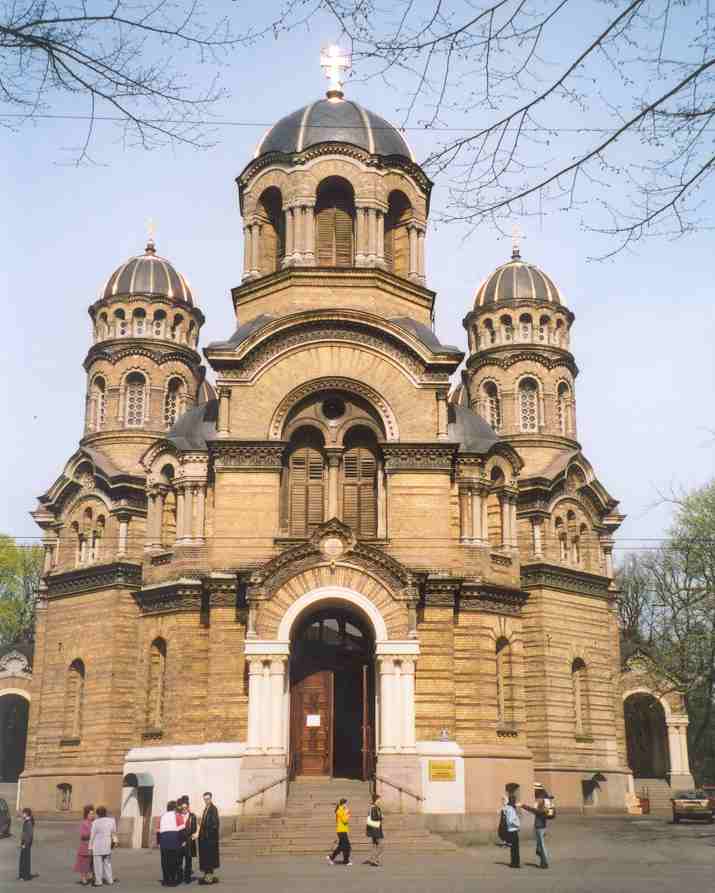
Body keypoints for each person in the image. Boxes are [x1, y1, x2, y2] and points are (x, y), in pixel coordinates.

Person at [89, 805, 117, 887]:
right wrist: (115, 842)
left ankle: (98, 881)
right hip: (107, 845)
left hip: (97, 846)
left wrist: (90, 847)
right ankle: (110, 880)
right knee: (107, 863)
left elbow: (92, 836)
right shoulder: (112, 821)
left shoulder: (95, 822)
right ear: (105, 813)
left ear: (98, 814)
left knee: (98, 865)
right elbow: (114, 833)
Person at [195, 792, 220, 885]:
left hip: (209, 839)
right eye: (205, 799)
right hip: (205, 839)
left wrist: (206, 834)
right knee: (206, 859)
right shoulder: (206, 809)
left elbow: (215, 825)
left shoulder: (213, 809)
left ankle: (209, 879)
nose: (206, 801)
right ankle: (207, 877)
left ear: (211, 798)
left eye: (208, 799)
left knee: (209, 859)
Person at [522, 796, 550, 869]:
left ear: (541, 800)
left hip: (540, 828)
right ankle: (542, 861)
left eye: (538, 799)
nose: (536, 800)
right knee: (539, 847)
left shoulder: (542, 809)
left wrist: (523, 805)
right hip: (540, 828)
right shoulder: (542, 808)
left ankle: (545, 863)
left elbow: (533, 810)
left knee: (542, 846)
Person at [158, 800, 182, 887]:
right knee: (173, 862)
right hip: (174, 842)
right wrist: (182, 841)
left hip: (164, 842)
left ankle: (166, 880)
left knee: (165, 862)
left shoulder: (162, 816)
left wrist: (159, 842)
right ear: (175, 808)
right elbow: (181, 830)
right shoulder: (177, 816)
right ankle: (172, 880)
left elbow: (158, 831)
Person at [74, 805, 95, 886]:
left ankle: (92, 877)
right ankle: (83, 879)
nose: (92, 815)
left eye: (93, 814)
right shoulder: (84, 823)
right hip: (85, 845)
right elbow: (83, 835)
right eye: (90, 814)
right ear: (86, 814)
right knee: (83, 863)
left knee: (92, 863)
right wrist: (92, 834)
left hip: (93, 846)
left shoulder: (95, 822)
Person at [178, 796, 198, 884]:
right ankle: (179, 876)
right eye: (183, 808)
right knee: (179, 860)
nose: (184, 810)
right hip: (180, 842)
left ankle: (187, 877)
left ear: (188, 807)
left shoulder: (192, 816)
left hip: (189, 841)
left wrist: (189, 837)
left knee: (188, 860)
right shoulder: (178, 816)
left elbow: (193, 828)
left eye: (186, 808)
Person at [327, 798, 352, 867]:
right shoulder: (340, 810)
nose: (347, 805)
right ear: (343, 804)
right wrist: (348, 813)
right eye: (346, 803)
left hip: (343, 830)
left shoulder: (342, 810)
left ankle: (331, 857)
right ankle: (346, 861)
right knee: (347, 846)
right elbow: (345, 820)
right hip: (341, 831)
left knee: (341, 846)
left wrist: (347, 812)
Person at [503, 794, 521, 869]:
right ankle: (515, 863)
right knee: (515, 848)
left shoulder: (507, 808)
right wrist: (517, 825)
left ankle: (513, 863)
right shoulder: (511, 809)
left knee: (513, 848)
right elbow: (510, 820)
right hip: (513, 830)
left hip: (510, 830)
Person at [365, 794, 384, 867]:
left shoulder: (373, 807)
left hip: (373, 828)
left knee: (375, 845)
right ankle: (375, 860)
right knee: (381, 846)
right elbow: (374, 817)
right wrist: (381, 817)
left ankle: (373, 860)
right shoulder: (374, 808)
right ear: (376, 800)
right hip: (375, 829)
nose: (380, 801)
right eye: (379, 799)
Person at [18, 808, 34, 881]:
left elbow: (29, 835)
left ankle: (26, 876)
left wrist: (25, 843)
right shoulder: (26, 821)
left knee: (25, 860)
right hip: (24, 843)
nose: (22, 814)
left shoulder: (29, 822)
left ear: (27, 814)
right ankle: (21, 875)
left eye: (23, 813)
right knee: (22, 860)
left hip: (26, 844)